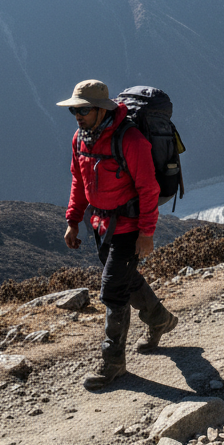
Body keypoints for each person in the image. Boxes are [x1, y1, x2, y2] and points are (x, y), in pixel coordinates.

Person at [61, 79, 177, 391]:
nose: (77, 115)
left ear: (101, 109)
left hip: (129, 227)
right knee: (125, 280)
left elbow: (148, 189)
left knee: (113, 290)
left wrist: (146, 233)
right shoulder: (80, 140)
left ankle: (113, 363)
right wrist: (73, 220)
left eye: (83, 110)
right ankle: (160, 318)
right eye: (74, 110)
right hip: (99, 226)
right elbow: (79, 181)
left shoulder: (131, 140)